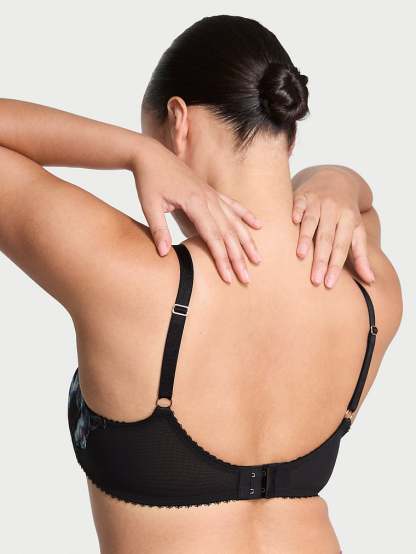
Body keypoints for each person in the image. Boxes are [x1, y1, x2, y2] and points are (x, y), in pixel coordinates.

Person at [0, 14, 402, 554]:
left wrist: (133, 154)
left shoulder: (124, 275)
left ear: (178, 121)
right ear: (289, 135)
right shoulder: (369, 288)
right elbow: (364, 212)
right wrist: (339, 179)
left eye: (155, 142)